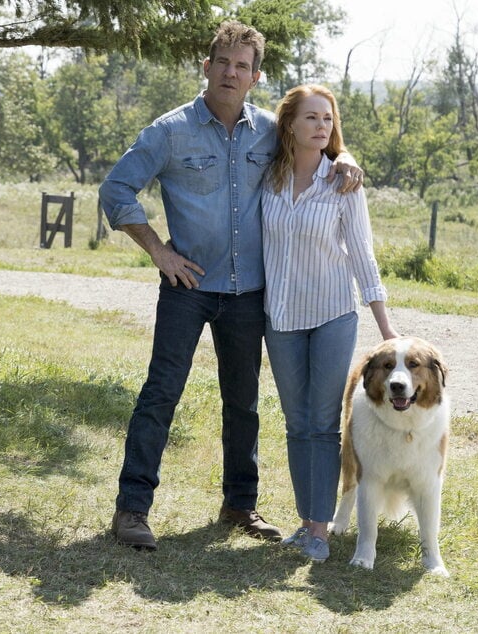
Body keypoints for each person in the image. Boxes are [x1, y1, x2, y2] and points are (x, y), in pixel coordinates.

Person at [98, 21, 365, 551]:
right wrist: (159, 250)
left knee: (242, 402)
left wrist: (346, 157)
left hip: (250, 293)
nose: (230, 72)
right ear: (207, 66)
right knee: (161, 393)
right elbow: (116, 189)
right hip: (188, 285)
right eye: (222, 61)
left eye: (242, 65)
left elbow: (318, 140)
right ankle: (132, 509)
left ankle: (240, 504)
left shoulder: (270, 130)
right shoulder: (170, 131)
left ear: (254, 76)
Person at [261, 84, 398, 563]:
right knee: (297, 424)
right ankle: (306, 522)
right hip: (280, 318)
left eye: (327, 119)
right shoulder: (267, 177)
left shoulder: (343, 182)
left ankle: (319, 531)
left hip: (332, 314)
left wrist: (386, 330)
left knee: (322, 424)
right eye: (312, 118)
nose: (322, 126)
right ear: (290, 125)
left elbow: (363, 256)